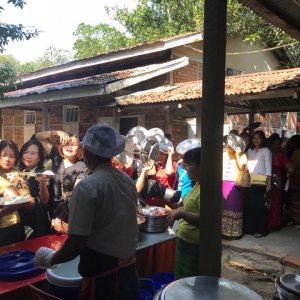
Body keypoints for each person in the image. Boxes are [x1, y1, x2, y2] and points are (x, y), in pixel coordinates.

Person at [34, 124, 139, 300]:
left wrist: (50, 259)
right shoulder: (126, 180)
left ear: (87, 151)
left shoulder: (88, 186)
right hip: (129, 272)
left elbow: (76, 242)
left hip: (107, 281)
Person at [35, 130, 89, 233]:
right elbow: (39, 136)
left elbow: (76, 195)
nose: (69, 146)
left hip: (67, 213)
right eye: (67, 143)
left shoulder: (82, 166)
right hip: (49, 209)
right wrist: (56, 133)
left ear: (79, 148)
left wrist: (61, 216)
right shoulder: (56, 156)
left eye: (73, 144)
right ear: (61, 145)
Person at [168, 147, 201, 279]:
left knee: (189, 283)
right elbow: (190, 208)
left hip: (195, 246)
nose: (186, 170)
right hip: (186, 242)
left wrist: (180, 214)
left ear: (201, 165)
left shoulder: (209, 189)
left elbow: (208, 219)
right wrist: (175, 211)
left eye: (189, 166)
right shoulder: (198, 184)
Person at [0, 140, 35, 246]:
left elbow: (28, 201)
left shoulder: (14, 177)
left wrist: (29, 200)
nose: (7, 159)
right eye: (3, 155)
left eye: (12, 156)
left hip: (10, 227)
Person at [18, 139, 51, 238]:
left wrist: (42, 182)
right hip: (20, 220)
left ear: (40, 157)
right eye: (26, 152)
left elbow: (44, 201)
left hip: (37, 222)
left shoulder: (43, 173)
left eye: (33, 153)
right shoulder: (18, 172)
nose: (28, 156)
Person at [244, 131, 272, 237]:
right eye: (254, 137)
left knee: (260, 207)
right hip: (250, 181)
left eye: (259, 138)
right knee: (250, 206)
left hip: (262, 182)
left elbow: (269, 168)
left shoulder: (266, 151)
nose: (256, 140)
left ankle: (259, 230)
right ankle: (250, 229)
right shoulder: (250, 151)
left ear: (263, 139)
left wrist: (268, 185)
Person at [222, 136, 247, 239]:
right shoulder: (223, 154)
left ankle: (234, 233)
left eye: (231, 144)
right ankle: (223, 231)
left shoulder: (242, 155)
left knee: (234, 207)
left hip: (235, 184)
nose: (229, 146)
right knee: (223, 207)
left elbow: (242, 167)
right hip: (223, 183)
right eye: (228, 144)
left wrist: (237, 155)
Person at [267, 135, 290, 231]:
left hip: (271, 180)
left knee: (272, 201)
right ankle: (273, 224)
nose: (277, 146)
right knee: (273, 202)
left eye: (279, 143)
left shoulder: (267, 152)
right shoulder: (281, 155)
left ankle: (270, 223)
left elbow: (290, 167)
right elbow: (291, 168)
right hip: (275, 180)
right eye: (275, 143)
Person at [286, 135, 300, 226]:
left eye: (291, 142)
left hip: (297, 178)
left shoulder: (297, 153)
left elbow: (293, 167)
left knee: (296, 199)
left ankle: (297, 219)